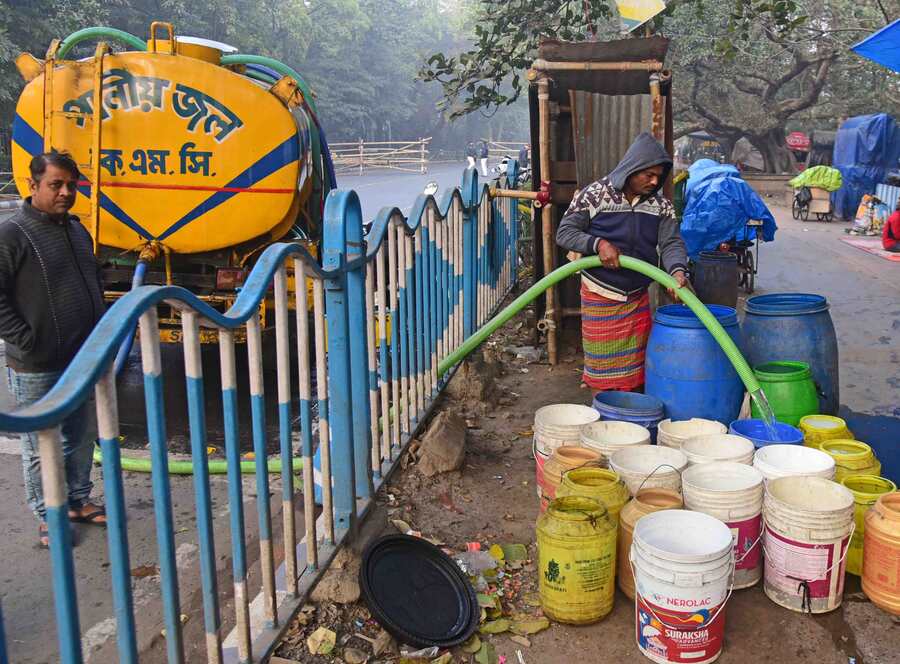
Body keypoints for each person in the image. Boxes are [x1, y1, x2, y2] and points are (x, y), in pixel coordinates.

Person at [0, 152, 107, 548]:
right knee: (39, 443)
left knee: (81, 437)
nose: (65, 192)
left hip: (83, 357)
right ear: (33, 185)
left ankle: (77, 500)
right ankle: (49, 514)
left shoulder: (77, 231)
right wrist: (27, 339)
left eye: (71, 185)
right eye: (55, 184)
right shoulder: (13, 235)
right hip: (36, 364)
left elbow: (91, 282)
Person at [556, 132, 688, 395]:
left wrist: (677, 271)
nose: (654, 181)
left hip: (637, 295)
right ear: (632, 169)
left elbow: (671, 243)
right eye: (648, 175)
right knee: (602, 370)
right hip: (600, 292)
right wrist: (598, 244)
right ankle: (604, 416)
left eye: (658, 176)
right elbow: (565, 233)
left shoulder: (661, 206)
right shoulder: (594, 195)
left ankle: (631, 416)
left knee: (637, 369)